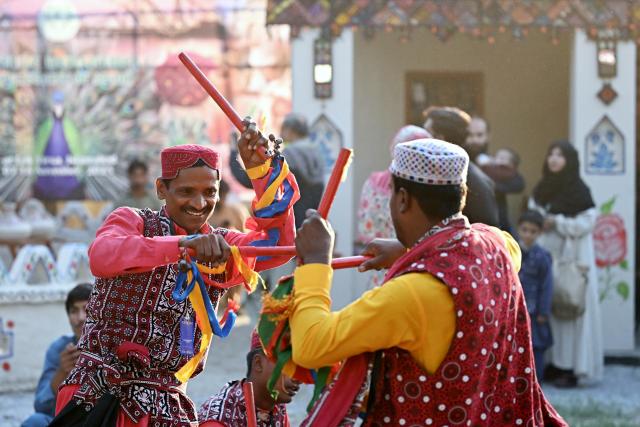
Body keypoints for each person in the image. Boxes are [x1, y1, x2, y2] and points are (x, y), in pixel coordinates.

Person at [290, 138, 566, 426]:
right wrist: (412, 249)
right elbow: (509, 247)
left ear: (403, 199)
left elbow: (311, 345)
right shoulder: (496, 246)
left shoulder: (412, 293)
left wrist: (316, 261)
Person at [49, 118, 300, 427]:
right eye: (186, 191)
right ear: (161, 189)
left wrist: (261, 173)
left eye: (210, 191)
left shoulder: (220, 248)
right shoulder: (133, 220)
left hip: (168, 407)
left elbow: (277, 246)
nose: (199, 203)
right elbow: (102, 256)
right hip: (99, 397)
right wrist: (184, 245)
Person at [529, 140, 603, 388]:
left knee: (570, 310)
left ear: (569, 161)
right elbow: (532, 214)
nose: (554, 159)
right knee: (548, 309)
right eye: (551, 153)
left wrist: (558, 222)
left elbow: (588, 222)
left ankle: (570, 368)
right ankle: (550, 364)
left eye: (560, 155)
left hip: (573, 262)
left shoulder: (580, 192)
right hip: (548, 259)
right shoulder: (541, 189)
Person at [355, 125, 430, 287]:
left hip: (378, 269)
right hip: (412, 270)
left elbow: (364, 229)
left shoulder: (372, 182)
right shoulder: (423, 190)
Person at [21, 283, 92, 427]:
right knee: (35, 422)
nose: (80, 318)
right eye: (74, 311)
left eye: (87, 309)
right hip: (68, 421)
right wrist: (62, 372)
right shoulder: (59, 349)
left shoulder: (113, 347)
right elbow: (41, 406)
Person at [198, 329, 299, 426]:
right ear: (258, 363)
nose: (298, 379)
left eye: (300, 369)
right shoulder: (218, 421)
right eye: (288, 366)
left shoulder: (276, 405)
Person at [423, 106, 499, 226]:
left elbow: (487, 231)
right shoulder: (436, 175)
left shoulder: (472, 180)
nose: (421, 138)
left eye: (426, 134)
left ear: (439, 138)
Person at [517, 210, 553, 380]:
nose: (528, 235)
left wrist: (543, 312)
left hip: (534, 311)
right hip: (514, 309)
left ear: (539, 233)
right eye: (524, 230)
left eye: (533, 231)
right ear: (518, 229)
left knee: (536, 346)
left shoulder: (542, 256)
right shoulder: (511, 252)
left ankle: (536, 383)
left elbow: (547, 285)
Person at [481, 148, 526, 233]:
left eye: (504, 158)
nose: (500, 159)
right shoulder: (486, 167)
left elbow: (519, 185)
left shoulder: (510, 175)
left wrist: (492, 186)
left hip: (498, 217)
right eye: (498, 156)